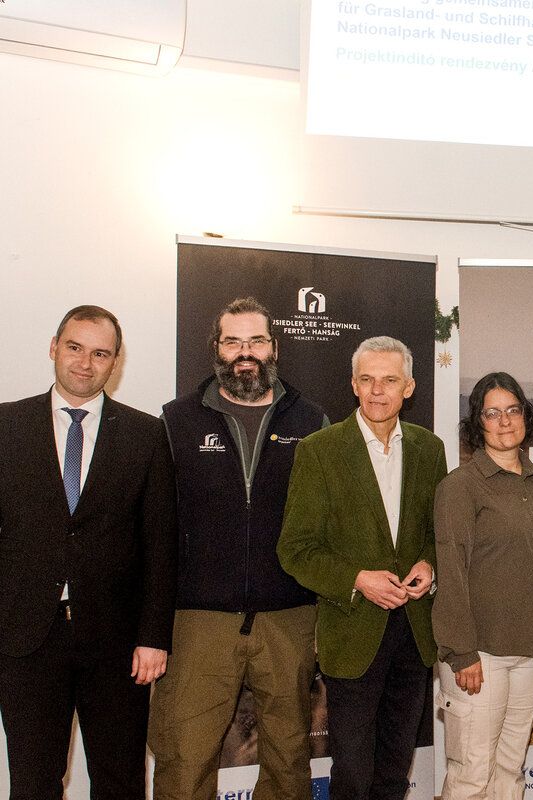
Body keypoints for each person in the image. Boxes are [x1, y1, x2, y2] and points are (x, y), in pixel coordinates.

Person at [149, 297, 329, 800]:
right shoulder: (176, 421)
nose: (244, 353)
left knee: (290, 762)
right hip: (198, 620)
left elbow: (328, 524)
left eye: (255, 341)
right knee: (185, 760)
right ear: (216, 348)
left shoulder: (312, 421)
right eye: (233, 341)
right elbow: (156, 528)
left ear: (275, 347)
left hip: (289, 617)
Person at [0, 305, 176, 799]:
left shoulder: (146, 434)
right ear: (54, 348)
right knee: (33, 782)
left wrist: (154, 636)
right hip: (25, 639)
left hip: (119, 644)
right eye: (75, 348)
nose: (85, 363)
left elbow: (160, 545)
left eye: (101, 353)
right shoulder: (7, 427)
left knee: (120, 780)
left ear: (115, 363)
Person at [278, 335, 447, 800]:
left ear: (409, 387)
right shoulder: (319, 451)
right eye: (367, 379)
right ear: (353, 384)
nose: (377, 391)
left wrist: (429, 564)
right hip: (353, 634)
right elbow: (296, 548)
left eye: (389, 380)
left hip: (413, 635)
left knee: (394, 772)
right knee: (352, 775)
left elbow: (438, 533)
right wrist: (357, 579)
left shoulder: (430, 449)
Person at [432, 372, 533, 800]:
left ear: (526, 416)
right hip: (478, 655)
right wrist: (461, 651)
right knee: (472, 775)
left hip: (531, 653)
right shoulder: (460, 487)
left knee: (510, 771)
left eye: (513, 410)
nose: (505, 421)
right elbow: (450, 571)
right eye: (492, 413)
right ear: (477, 424)